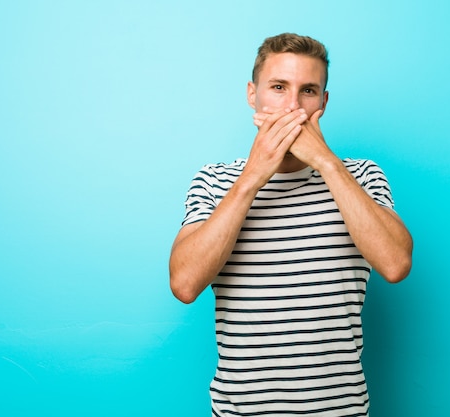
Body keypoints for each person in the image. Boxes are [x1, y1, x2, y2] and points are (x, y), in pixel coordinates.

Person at [169, 33, 413, 417]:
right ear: (253, 95)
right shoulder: (214, 181)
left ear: (324, 102)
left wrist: (328, 163)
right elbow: (184, 284)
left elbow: (396, 264)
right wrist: (252, 177)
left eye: (309, 91)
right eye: (278, 88)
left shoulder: (362, 176)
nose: (293, 107)